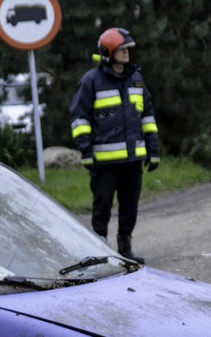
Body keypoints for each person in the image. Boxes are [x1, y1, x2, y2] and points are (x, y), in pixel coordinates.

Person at [69, 27, 160, 264]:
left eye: (128, 49)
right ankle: (100, 250)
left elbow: (147, 116)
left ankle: (125, 248)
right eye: (122, 49)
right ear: (109, 52)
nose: (127, 53)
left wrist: (153, 149)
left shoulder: (136, 80)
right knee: (102, 206)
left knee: (130, 206)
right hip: (104, 162)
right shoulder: (92, 81)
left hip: (133, 159)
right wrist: (86, 151)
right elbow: (79, 118)